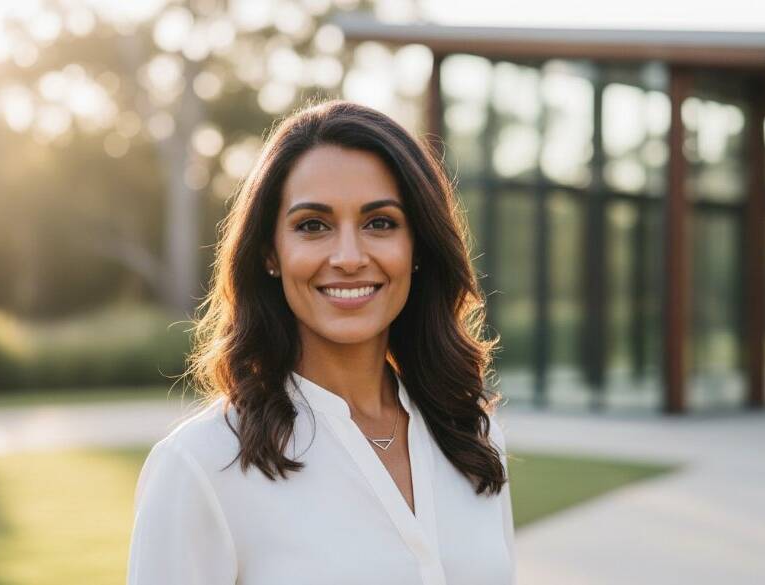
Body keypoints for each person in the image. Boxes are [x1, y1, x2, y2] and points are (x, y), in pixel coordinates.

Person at [126, 100, 515, 585]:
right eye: (313, 225)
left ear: (417, 248)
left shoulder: (473, 438)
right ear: (271, 252)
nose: (349, 257)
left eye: (380, 223)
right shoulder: (201, 465)